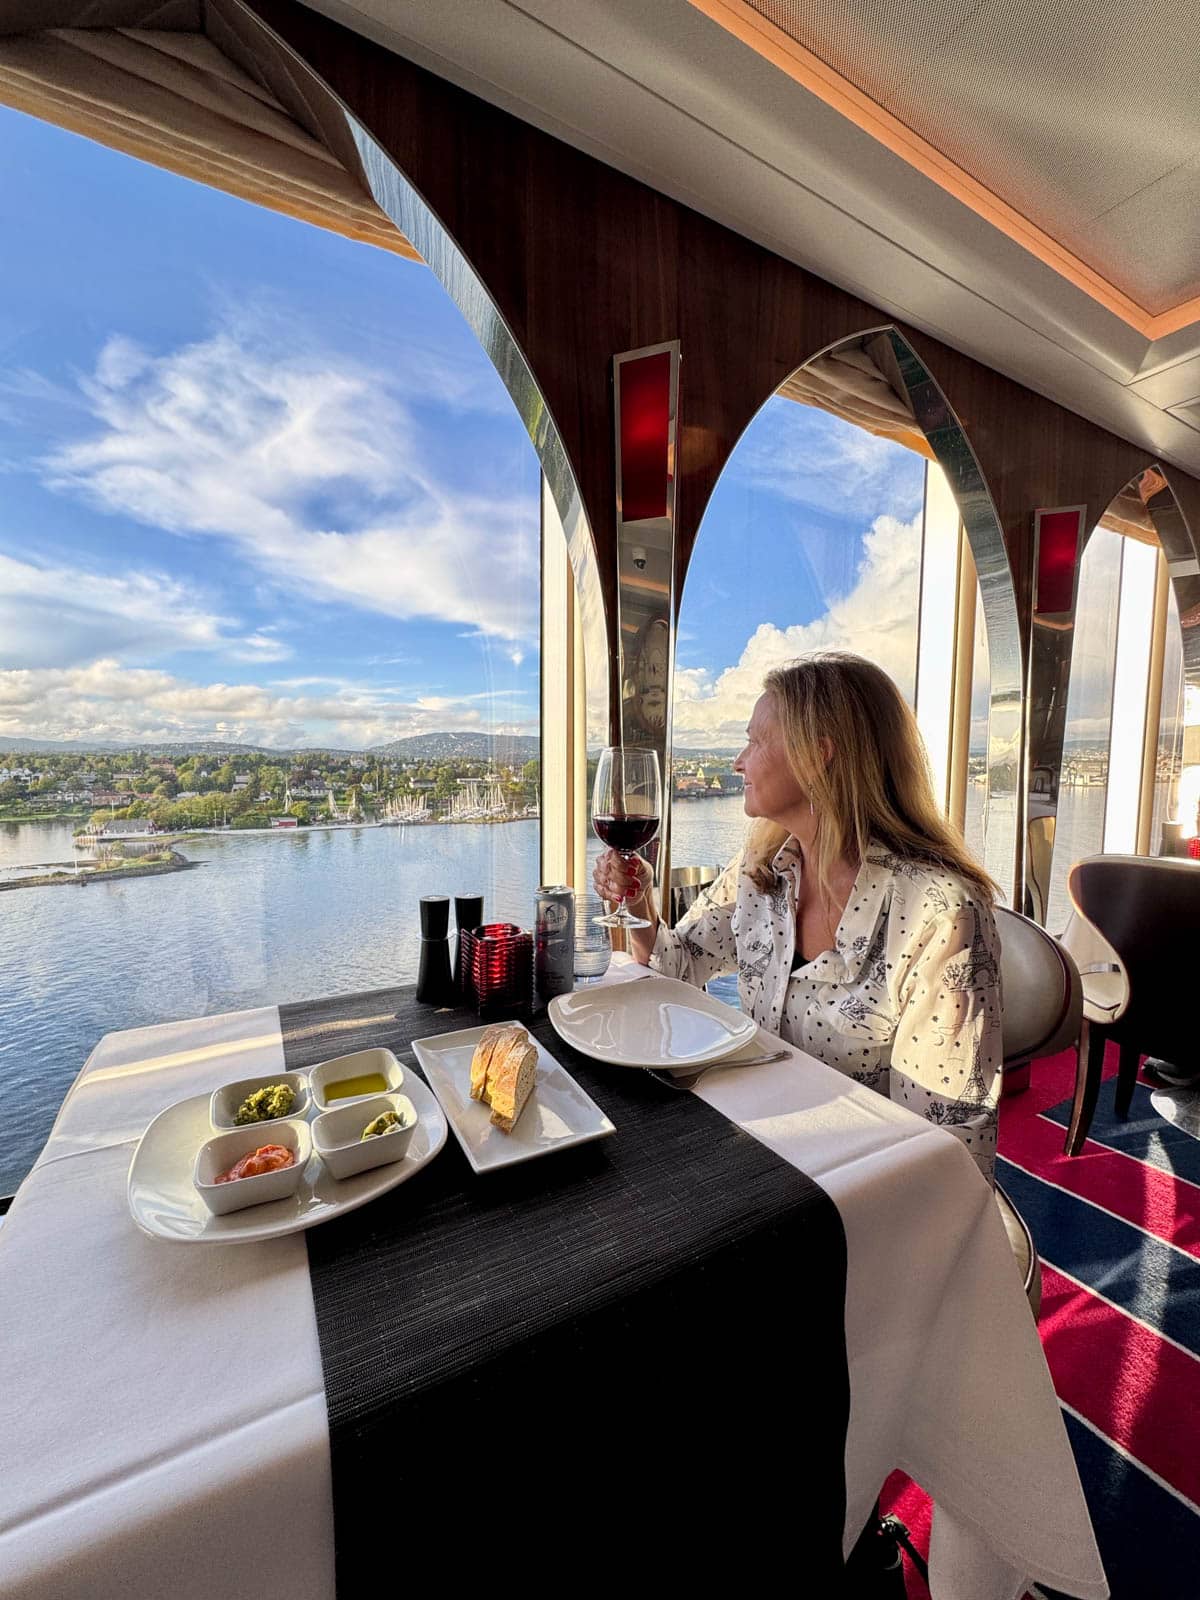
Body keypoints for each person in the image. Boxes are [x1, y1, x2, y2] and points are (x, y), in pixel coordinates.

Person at [594, 651, 1003, 1184]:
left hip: (858, 1189)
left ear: (818, 755)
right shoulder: (762, 867)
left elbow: (949, 1154)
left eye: (754, 741)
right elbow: (679, 965)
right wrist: (642, 901)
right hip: (760, 1148)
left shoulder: (942, 917)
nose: (738, 761)